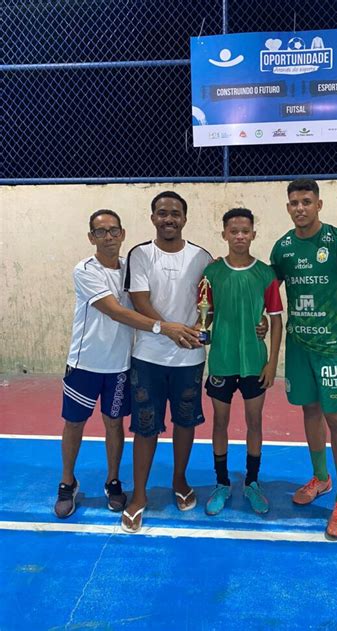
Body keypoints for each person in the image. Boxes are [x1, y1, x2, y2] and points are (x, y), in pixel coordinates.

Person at [270, 179, 337, 539]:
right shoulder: (282, 248)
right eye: (294, 202)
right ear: (288, 207)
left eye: (306, 201)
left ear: (319, 205)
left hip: (333, 349)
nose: (300, 208)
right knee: (309, 411)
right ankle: (321, 478)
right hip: (299, 348)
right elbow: (267, 288)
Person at [54, 209, 163, 519]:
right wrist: (162, 328)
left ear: (123, 234)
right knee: (74, 423)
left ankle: (113, 481)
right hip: (84, 364)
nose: (109, 236)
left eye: (114, 230)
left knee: (114, 424)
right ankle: (67, 482)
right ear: (92, 237)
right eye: (101, 232)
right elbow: (115, 311)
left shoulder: (131, 270)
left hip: (119, 367)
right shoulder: (84, 270)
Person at [121, 191, 213, 533]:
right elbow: (139, 301)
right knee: (146, 427)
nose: (169, 219)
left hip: (190, 358)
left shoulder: (202, 256)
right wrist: (171, 330)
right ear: (153, 217)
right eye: (162, 213)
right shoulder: (140, 254)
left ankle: (179, 480)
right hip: (148, 357)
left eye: (175, 213)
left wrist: (253, 322)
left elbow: (211, 303)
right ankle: (140, 495)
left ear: (185, 219)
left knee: (185, 423)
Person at [203, 208, 283, 516]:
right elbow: (204, 315)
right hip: (221, 360)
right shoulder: (212, 273)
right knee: (220, 423)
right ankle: (222, 482)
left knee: (254, 422)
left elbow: (276, 320)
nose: (239, 236)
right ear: (224, 234)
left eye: (245, 231)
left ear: (253, 234)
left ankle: (252, 482)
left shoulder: (266, 274)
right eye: (233, 231)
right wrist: (203, 329)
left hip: (254, 362)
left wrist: (272, 362)